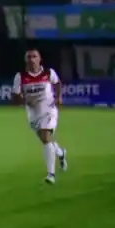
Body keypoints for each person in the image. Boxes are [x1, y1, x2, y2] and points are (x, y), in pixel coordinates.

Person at [13, 48, 69, 184]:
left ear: (40, 59)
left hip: (49, 109)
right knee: (46, 140)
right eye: (29, 57)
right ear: (26, 60)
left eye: (34, 56)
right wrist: (23, 99)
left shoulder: (48, 73)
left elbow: (57, 83)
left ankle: (51, 175)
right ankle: (61, 154)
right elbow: (15, 98)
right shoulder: (20, 76)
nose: (32, 59)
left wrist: (59, 97)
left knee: (45, 137)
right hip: (33, 112)